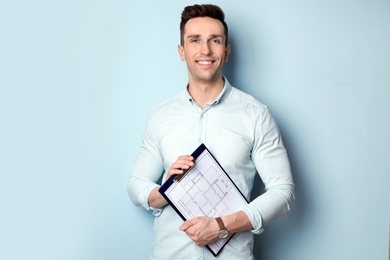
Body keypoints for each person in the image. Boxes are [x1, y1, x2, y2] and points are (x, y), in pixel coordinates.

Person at [128, 4, 294, 260]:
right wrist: (165, 192)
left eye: (214, 41)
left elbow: (283, 192)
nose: (205, 50)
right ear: (182, 51)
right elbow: (136, 184)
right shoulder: (160, 116)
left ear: (226, 52)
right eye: (195, 40)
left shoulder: (256, 114)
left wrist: (220, 226)